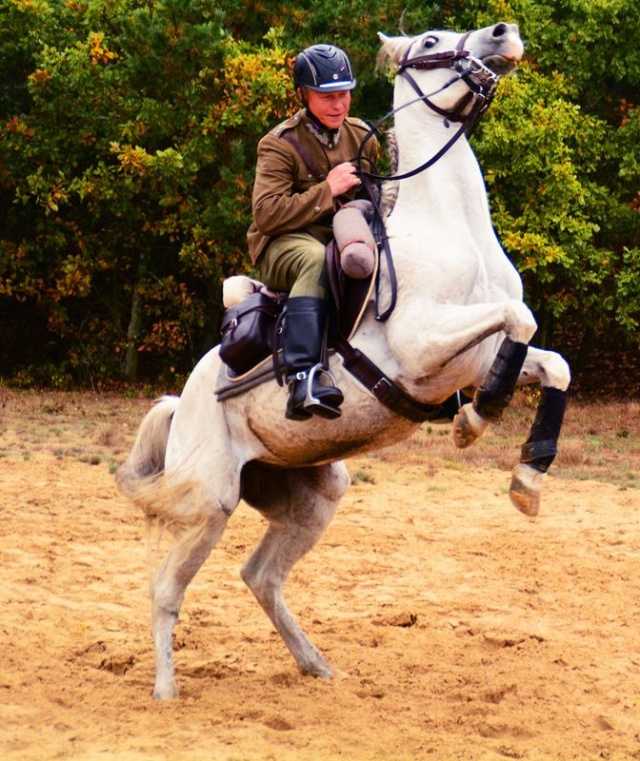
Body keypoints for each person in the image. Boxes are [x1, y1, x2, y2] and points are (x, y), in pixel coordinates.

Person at [247, 44, 379, 422]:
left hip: (346, 239)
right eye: (327, 96)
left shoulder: (364, 137)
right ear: (303, 95)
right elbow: (267, 214)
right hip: (282, 246)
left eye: (344, 94)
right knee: (314, 258)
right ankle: (303, 377)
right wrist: (327, 191)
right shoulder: (279, 143)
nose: (338, 104)